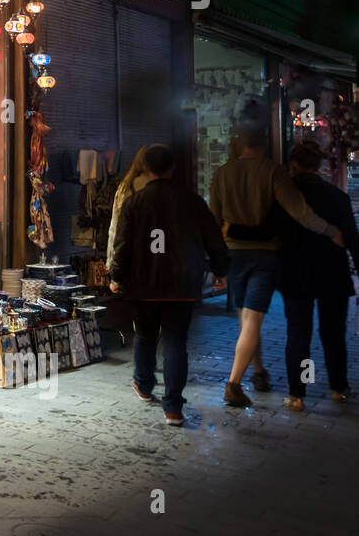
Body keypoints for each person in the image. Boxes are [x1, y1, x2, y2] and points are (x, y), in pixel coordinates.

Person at [208, 119, 342, 407]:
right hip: (264, 255)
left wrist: (215, 264)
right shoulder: (273, 172)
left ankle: (258, 372)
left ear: (239, 141)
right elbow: (300, 212)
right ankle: (233, 384)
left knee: (246, 320)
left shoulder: (221, 174)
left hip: (234, 255)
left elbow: (213, 222)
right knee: (252, 320)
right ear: (263, 142)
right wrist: (331, 231)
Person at [109, 144, 230, 426]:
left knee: (145, 335)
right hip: (182, 284)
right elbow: (214, 239)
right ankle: (173, 407)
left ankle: (144, 384)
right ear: (172, 168)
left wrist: (116, 277)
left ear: (146, 168)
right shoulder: (192, 200)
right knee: (176, 341)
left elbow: (122, 246)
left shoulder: (135, 203)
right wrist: (220, 270)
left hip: (142, 284)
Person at [105, 146, 150, 272]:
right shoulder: (161, 189)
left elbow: (115, 226)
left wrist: (111, 261)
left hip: (129, 255)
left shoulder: (125, 187)